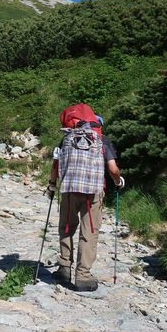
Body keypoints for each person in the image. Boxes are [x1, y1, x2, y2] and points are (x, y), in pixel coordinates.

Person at [46, 113, 125, 291]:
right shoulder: (102, 139)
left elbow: (55, 165)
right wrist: (118, 181)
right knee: (88, 232)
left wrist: (52, 185)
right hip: (93, 192)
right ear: (97, 125)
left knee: (66, 227)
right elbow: (112, 168)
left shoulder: (67, 138)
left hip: (68, 189)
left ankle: (64, 268)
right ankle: (83, 276)